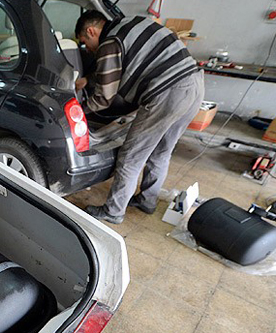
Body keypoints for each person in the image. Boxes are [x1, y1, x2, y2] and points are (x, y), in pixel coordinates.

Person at [75, 10, 204, 224]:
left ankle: (113, 212)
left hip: (167, 93)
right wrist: (88, 80)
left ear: (91, 30)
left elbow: (105, 98)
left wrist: (80, 110)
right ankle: (147, 200)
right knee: (162, 151)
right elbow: (120, 66)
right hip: (194, 85)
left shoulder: (109, 42)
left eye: (85, 42)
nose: (87, 49)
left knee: (131, 156)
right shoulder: (131, 23)